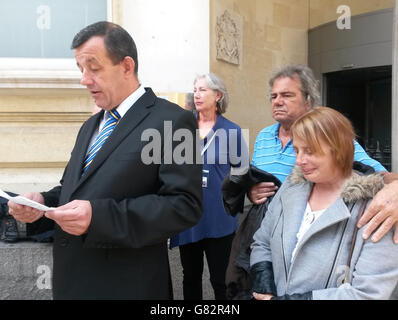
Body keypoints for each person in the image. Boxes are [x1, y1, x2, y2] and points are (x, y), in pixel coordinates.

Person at [7, 21, 203, 300]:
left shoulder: (171, 121)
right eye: (80, 69)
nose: (84, 79)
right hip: (72, 284)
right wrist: (40, 204)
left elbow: (184, 206)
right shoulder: (89, 126)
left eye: (94, 68)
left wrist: (98, 218)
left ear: (126, 66)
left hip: (127, 286)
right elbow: (73, 192)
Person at [250, 106, 398, 300]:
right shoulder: (291, 187)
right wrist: (265, 287)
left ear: (340, 149)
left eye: (310, 151)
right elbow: (262, 241)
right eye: (296, 150)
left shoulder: (379, 207)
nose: (299, 160)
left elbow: (368, 293)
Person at [248, 65, 398, 243]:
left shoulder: (329, 137)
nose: (277, 101)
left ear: (308, 101)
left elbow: (382, 177)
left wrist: (395, 191)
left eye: (287, 95)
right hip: (262, 234)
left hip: (308, 239)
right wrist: (252, 192)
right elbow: (255, 179)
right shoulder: (263, 136)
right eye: (274, 96)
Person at [170, 73, 248, 300]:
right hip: (188, 216)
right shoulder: (180, 128)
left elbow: (242, 174)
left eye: (203, 89)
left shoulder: (231, 131)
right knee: (190, 276)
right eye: (195, 89)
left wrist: (231, 206)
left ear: (218, 96)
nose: (197, 94)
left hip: (218, 218)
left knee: (220, 280)